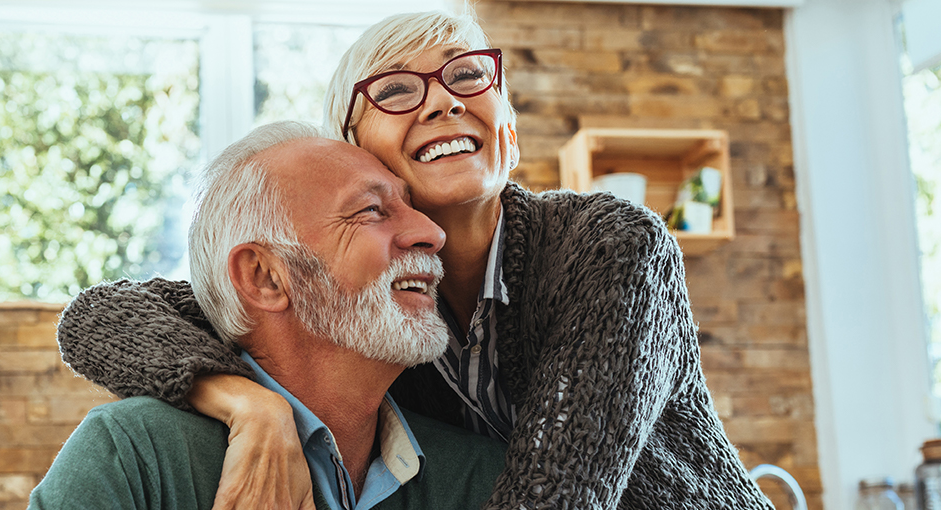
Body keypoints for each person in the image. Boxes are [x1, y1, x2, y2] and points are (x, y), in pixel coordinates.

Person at [56, 9, 772, 510]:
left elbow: (558, 496)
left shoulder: (610, 249)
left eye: (467, 77)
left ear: (511, 136)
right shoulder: (373, 304)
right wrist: (250, 404)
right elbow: (104, 315)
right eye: (397, 90)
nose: (442, 103)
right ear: (355, 150)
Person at [30, 121, 507, 510]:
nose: (430, 232)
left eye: (412, 206)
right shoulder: (135, 458)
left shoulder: (482, 478)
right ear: (264, 277)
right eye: (371, 210)